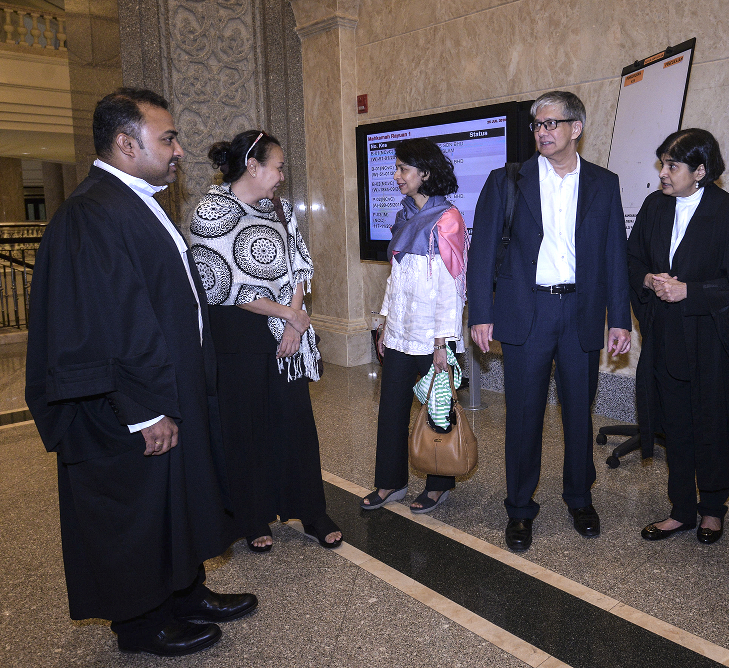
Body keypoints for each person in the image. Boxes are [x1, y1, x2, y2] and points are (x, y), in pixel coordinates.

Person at [25, 88, 257, 657]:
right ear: (127, 144)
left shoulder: (134, 199)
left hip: (167, 390)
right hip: (127, 407)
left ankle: (182, 593)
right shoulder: (90, 214)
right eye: (169, 138)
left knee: (171, 500)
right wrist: (143, 410)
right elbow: (100, 324)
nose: (180, 149)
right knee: (135, 510)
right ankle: (138, 622)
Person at [467, 91, 632, 552]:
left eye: (551, 124)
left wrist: (619, 318)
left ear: (575, 128)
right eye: (537, 125)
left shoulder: (604, 183)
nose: (542, 132)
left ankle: (580, 499)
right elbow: (481, 253)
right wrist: (481, 313)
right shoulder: (508, 180)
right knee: (523, 416)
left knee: (579, 412)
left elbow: (615, 255)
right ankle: (519, 509)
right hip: (526, 312)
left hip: (580, 311)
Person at [189, 130, 342, 552]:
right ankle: (252, 517)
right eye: (277, 167)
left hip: (287, 331)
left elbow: (299, 264)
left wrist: (295, 321)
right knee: (245, 428)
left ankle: (311, 510)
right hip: (239, 333)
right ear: (253, 165)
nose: (281, 176)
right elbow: (220, 284)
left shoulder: (279, 208)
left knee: (295, 422)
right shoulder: (211, 211)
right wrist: (286, 314)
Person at [627, 129, 729, 545]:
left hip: (713, 343)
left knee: (713, 426)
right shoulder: (654, 208)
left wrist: (692, 291)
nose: (663, 173)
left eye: (673, 165)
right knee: (676, 426)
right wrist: (649, 280)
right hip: (667, 338)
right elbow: (632, 259)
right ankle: (681, 510)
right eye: (662, 164)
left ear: (701, 171)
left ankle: (712, 510)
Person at [360, 137, 469, 513]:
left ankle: (439, 483)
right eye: (396, 167)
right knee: (391, 409)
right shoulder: (405, 214)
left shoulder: (448, 220)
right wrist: (384, 324)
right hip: (401, 333)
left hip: (432, 336)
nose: (396, 175)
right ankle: (390, 483)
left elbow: (453, 288)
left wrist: (443, 343)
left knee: (438, 411)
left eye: (403, 168)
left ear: (425, 172)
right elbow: (396, 278)